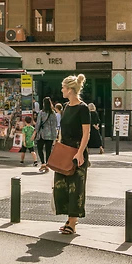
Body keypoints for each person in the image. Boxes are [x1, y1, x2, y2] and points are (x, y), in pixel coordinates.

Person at [53, 74, 92, 235]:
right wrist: (57, 148)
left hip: (77, 151)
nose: (61, 90)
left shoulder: (83, 108)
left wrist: (80, 152)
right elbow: (62, 130)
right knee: (60, 186)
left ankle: (73, 222)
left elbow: (86, 133)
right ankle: (69, 219)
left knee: (76, 187)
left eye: (63, 87)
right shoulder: (66, 107)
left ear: (69, 89)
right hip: (64, 150)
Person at [36, 97, 58, 174]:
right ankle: (47, 165)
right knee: (48, 150)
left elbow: (38, 124)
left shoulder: (41, 113)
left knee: (40, 148)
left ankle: (43, 163)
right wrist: (55, 136)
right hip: (50, 134)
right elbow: (55, 125)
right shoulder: (53, 113)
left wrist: (35, 132)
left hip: (42, 134)